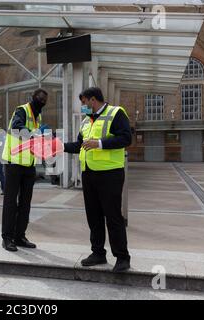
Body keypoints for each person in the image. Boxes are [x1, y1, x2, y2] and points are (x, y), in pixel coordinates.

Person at [64, 87, 132, 273]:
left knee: (112, 216)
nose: (83, 107)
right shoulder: (86, 122)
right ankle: (98, 253)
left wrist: (99, 144)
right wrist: (60, 146)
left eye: (84, 102)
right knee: (93, 216)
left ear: (93, 100)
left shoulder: (116, 113)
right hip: (89, 173)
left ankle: (122, 257)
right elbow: (80, 145)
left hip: (110, 173)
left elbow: (126, 138)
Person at [0, 88, 48, 252]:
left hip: (29, 165)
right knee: (10, 202)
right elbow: (16, 127)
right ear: (33, 98)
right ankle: (7, 238)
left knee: (25, 203)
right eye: (40, 99)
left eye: (44, 100)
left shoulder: (38, 116)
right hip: (14, 163)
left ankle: (19, 236)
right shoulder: (22, 110)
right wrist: (35, 134)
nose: (42, 102)